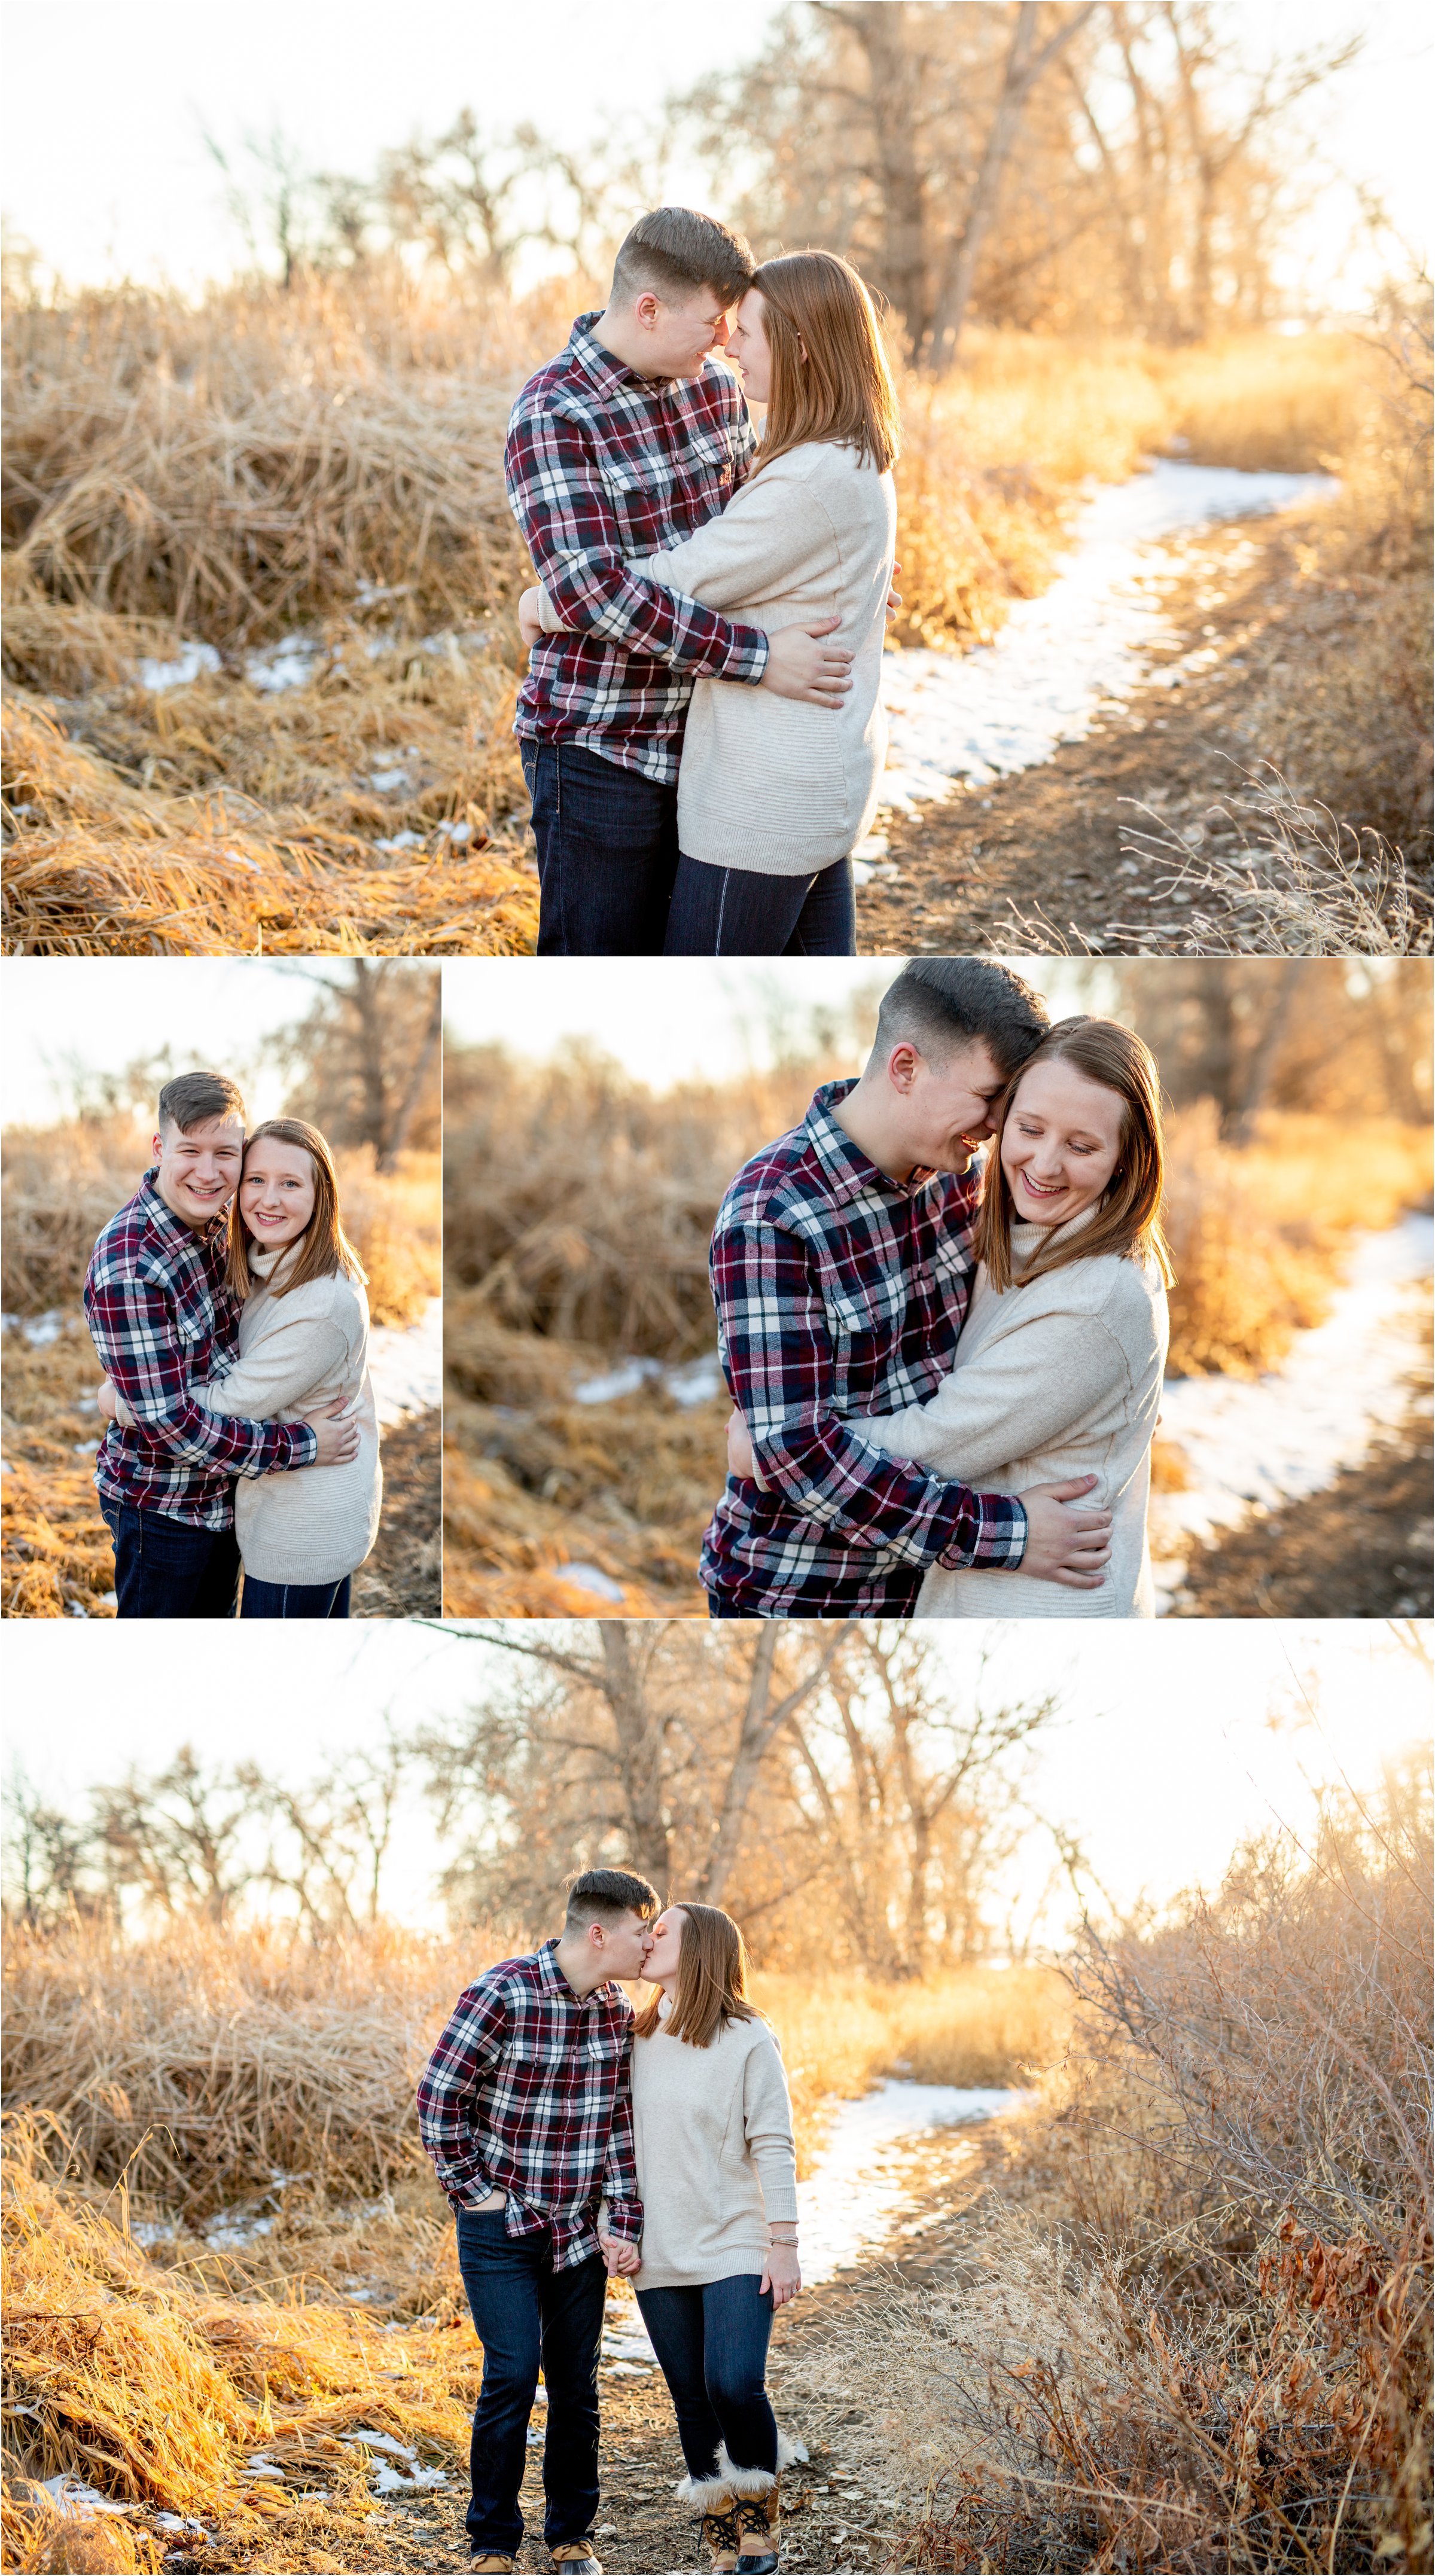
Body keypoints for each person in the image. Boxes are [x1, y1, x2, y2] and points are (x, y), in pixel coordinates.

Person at [703, 958, 1115, 1618]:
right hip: (799, 1590)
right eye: (988, 1098)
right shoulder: (772, 1213)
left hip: (932, 1593)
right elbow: (799, 1453)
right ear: (904, 1068)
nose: (995, 1126)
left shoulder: (962, 1180)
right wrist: (1004, 1532)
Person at [523, 249, 895, 958]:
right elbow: (626, 584)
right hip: (604, 740)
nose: (726, 342)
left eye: (742, 328)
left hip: (741, 769)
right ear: (650, 309)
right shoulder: (555, 411)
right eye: (717, 322)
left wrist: (544, 602)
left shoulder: (725, 402)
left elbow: (723, 558)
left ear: (802, 347)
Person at [417, 1869, 660, 2576]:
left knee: (576, 2383)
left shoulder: (615, 2010)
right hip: (503, 2227)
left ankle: (570, 2536)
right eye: (642, 1929)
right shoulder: (504, 1992)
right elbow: (439, 2096)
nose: (649, 1943)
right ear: (599, 1932)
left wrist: (623, 2218)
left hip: (580, 2232)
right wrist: (473, 2191)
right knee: (514, 2371)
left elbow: (618, 2123)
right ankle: (491, 2542)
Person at [83, 1072, 360, 1621]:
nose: (208, 1173)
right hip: (163, 1511)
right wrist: (303, 1445)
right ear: (160, 1148)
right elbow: (173, 1428)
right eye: (190, 1150)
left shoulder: (219, 1227)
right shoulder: (131, 1265)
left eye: (225, 1154)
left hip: (225, 1501)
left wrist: (121, 1401)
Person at [620, 1903, 803, 2575]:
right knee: (690, 2393)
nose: (646, 1939)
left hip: (733, 2235)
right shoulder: (631, 2033)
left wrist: (782, 2240)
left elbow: (774, 2141)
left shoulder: (748, 2035)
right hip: (658, 2245)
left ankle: (758, 2502)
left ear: (698, 1946)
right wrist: (616, 2225)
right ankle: (719, 2524)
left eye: (660, 1930)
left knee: (732, 2381)